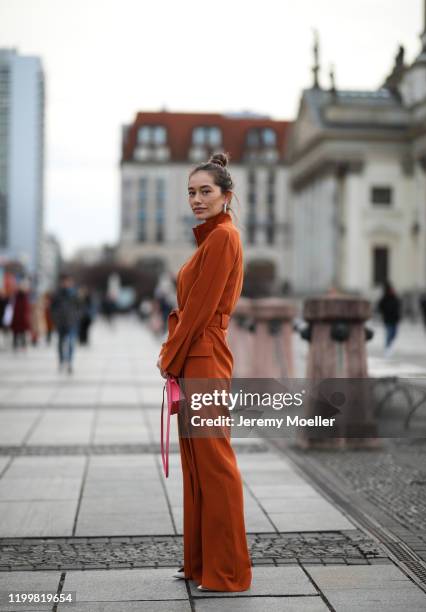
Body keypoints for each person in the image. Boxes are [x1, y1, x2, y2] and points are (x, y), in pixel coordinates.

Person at [156, 153, 252, 592]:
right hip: (196, 355)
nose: (196, 199)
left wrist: (168, 357)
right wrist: (176, 356)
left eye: (205, 191)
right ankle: (199, 563)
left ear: (226, 195)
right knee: (197, 464)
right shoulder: (211, 240)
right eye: (191, 192)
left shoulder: (223, 239)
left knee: (214, 463)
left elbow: (198, 309)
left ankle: (228, 570)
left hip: (204, 356)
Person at [51, 274, 80, 373]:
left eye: (69, 282)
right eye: (65, 282)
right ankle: (61, 360)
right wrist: (56, 319)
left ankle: (70, 362)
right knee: (60, 342)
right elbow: (52, 308)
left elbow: (80, 307)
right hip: (61, 322)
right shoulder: (57, 294)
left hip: (72, 322)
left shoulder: (74, 294)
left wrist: (77, 317)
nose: (67, 284)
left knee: (71, 342)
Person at [377, 281, 402, 356]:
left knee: (394, 334)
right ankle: (387, 348)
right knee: (389, 333)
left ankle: (389, 346)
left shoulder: (395, 297)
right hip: (388, 319)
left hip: (395, 318)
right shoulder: (384, 298)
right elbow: (380, 307)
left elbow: (398, 306)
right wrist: (384, 312)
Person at [10, 281, 31, 349]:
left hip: (22, 317)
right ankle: (15, 344)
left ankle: (23, 344)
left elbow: (26, 308)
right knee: (16, 332)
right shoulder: (16, 296)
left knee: (22, 332)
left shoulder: (25, 297)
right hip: (16, 317)